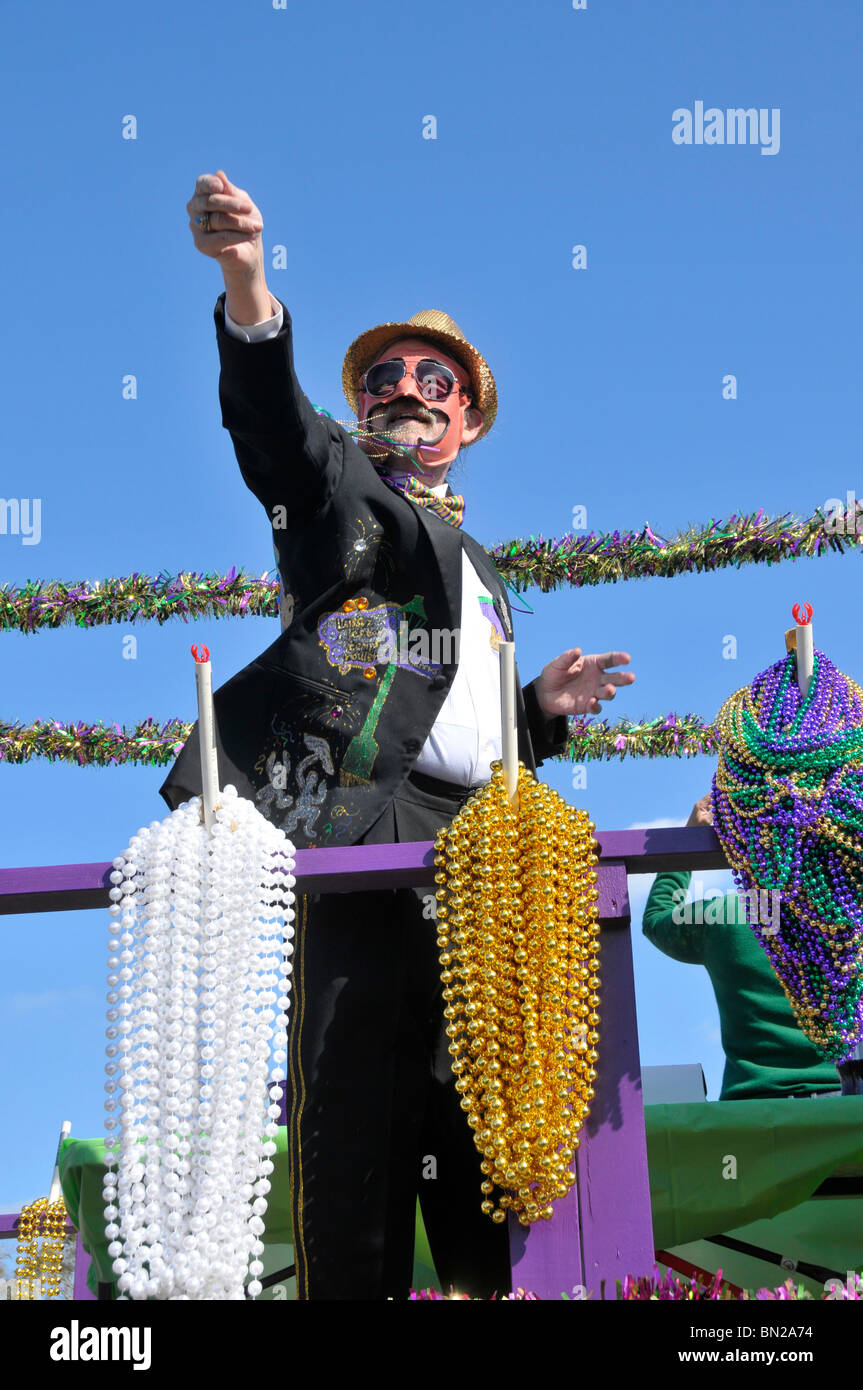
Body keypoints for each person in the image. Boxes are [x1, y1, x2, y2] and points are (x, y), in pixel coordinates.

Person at [160, 170, 637, 1300]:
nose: (407, 396)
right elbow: (278, 438)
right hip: (362, 837)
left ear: (465, 422)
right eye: (384, 383)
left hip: (476, 856)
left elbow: (438, 710)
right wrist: (247, 288)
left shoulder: (482, 572)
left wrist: (533, 712)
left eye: (434, 385)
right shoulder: (344, 514)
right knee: (354, 1130)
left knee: (476, 1131)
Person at [642, 794, 841, 1101]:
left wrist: (688, 839)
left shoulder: (726, 915)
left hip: (752, 1109)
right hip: (845, 1105)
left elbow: (656, 918)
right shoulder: (844, 917)